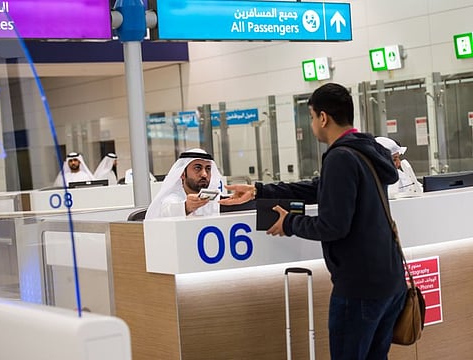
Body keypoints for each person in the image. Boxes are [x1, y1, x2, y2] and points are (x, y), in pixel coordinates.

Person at [220, 83, 407, 359]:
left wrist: (289, 224)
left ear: (323, 117)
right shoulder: (365, 151)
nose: (311, 124)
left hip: (360, 287)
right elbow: (316, 188)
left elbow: (333, 226)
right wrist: (260, 190)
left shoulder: (341, 157)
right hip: (390, 282)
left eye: (310, 117)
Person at [145, 148, 222, 219]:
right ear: (182, 174)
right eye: (197, 168)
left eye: (208, 169)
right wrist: (186, 207)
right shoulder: (171, 199)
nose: (204, 174)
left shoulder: (215, 199)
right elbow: (168, 212)